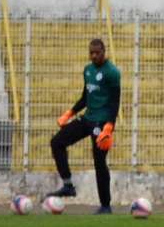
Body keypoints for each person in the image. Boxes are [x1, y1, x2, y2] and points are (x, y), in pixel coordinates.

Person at [51, 37, 123, 215]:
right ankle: (68, 185)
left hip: (101, 123)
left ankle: (105, 206)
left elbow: (115, 103)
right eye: (91, 53)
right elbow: (85, 97)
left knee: (99, 162)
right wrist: (70, 113)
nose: (94, 56)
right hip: (87, 119)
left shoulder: (112, 73)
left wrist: (109, 127)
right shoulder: (88, 70)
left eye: (97, 53)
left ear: (104, 52)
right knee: (57, 142)